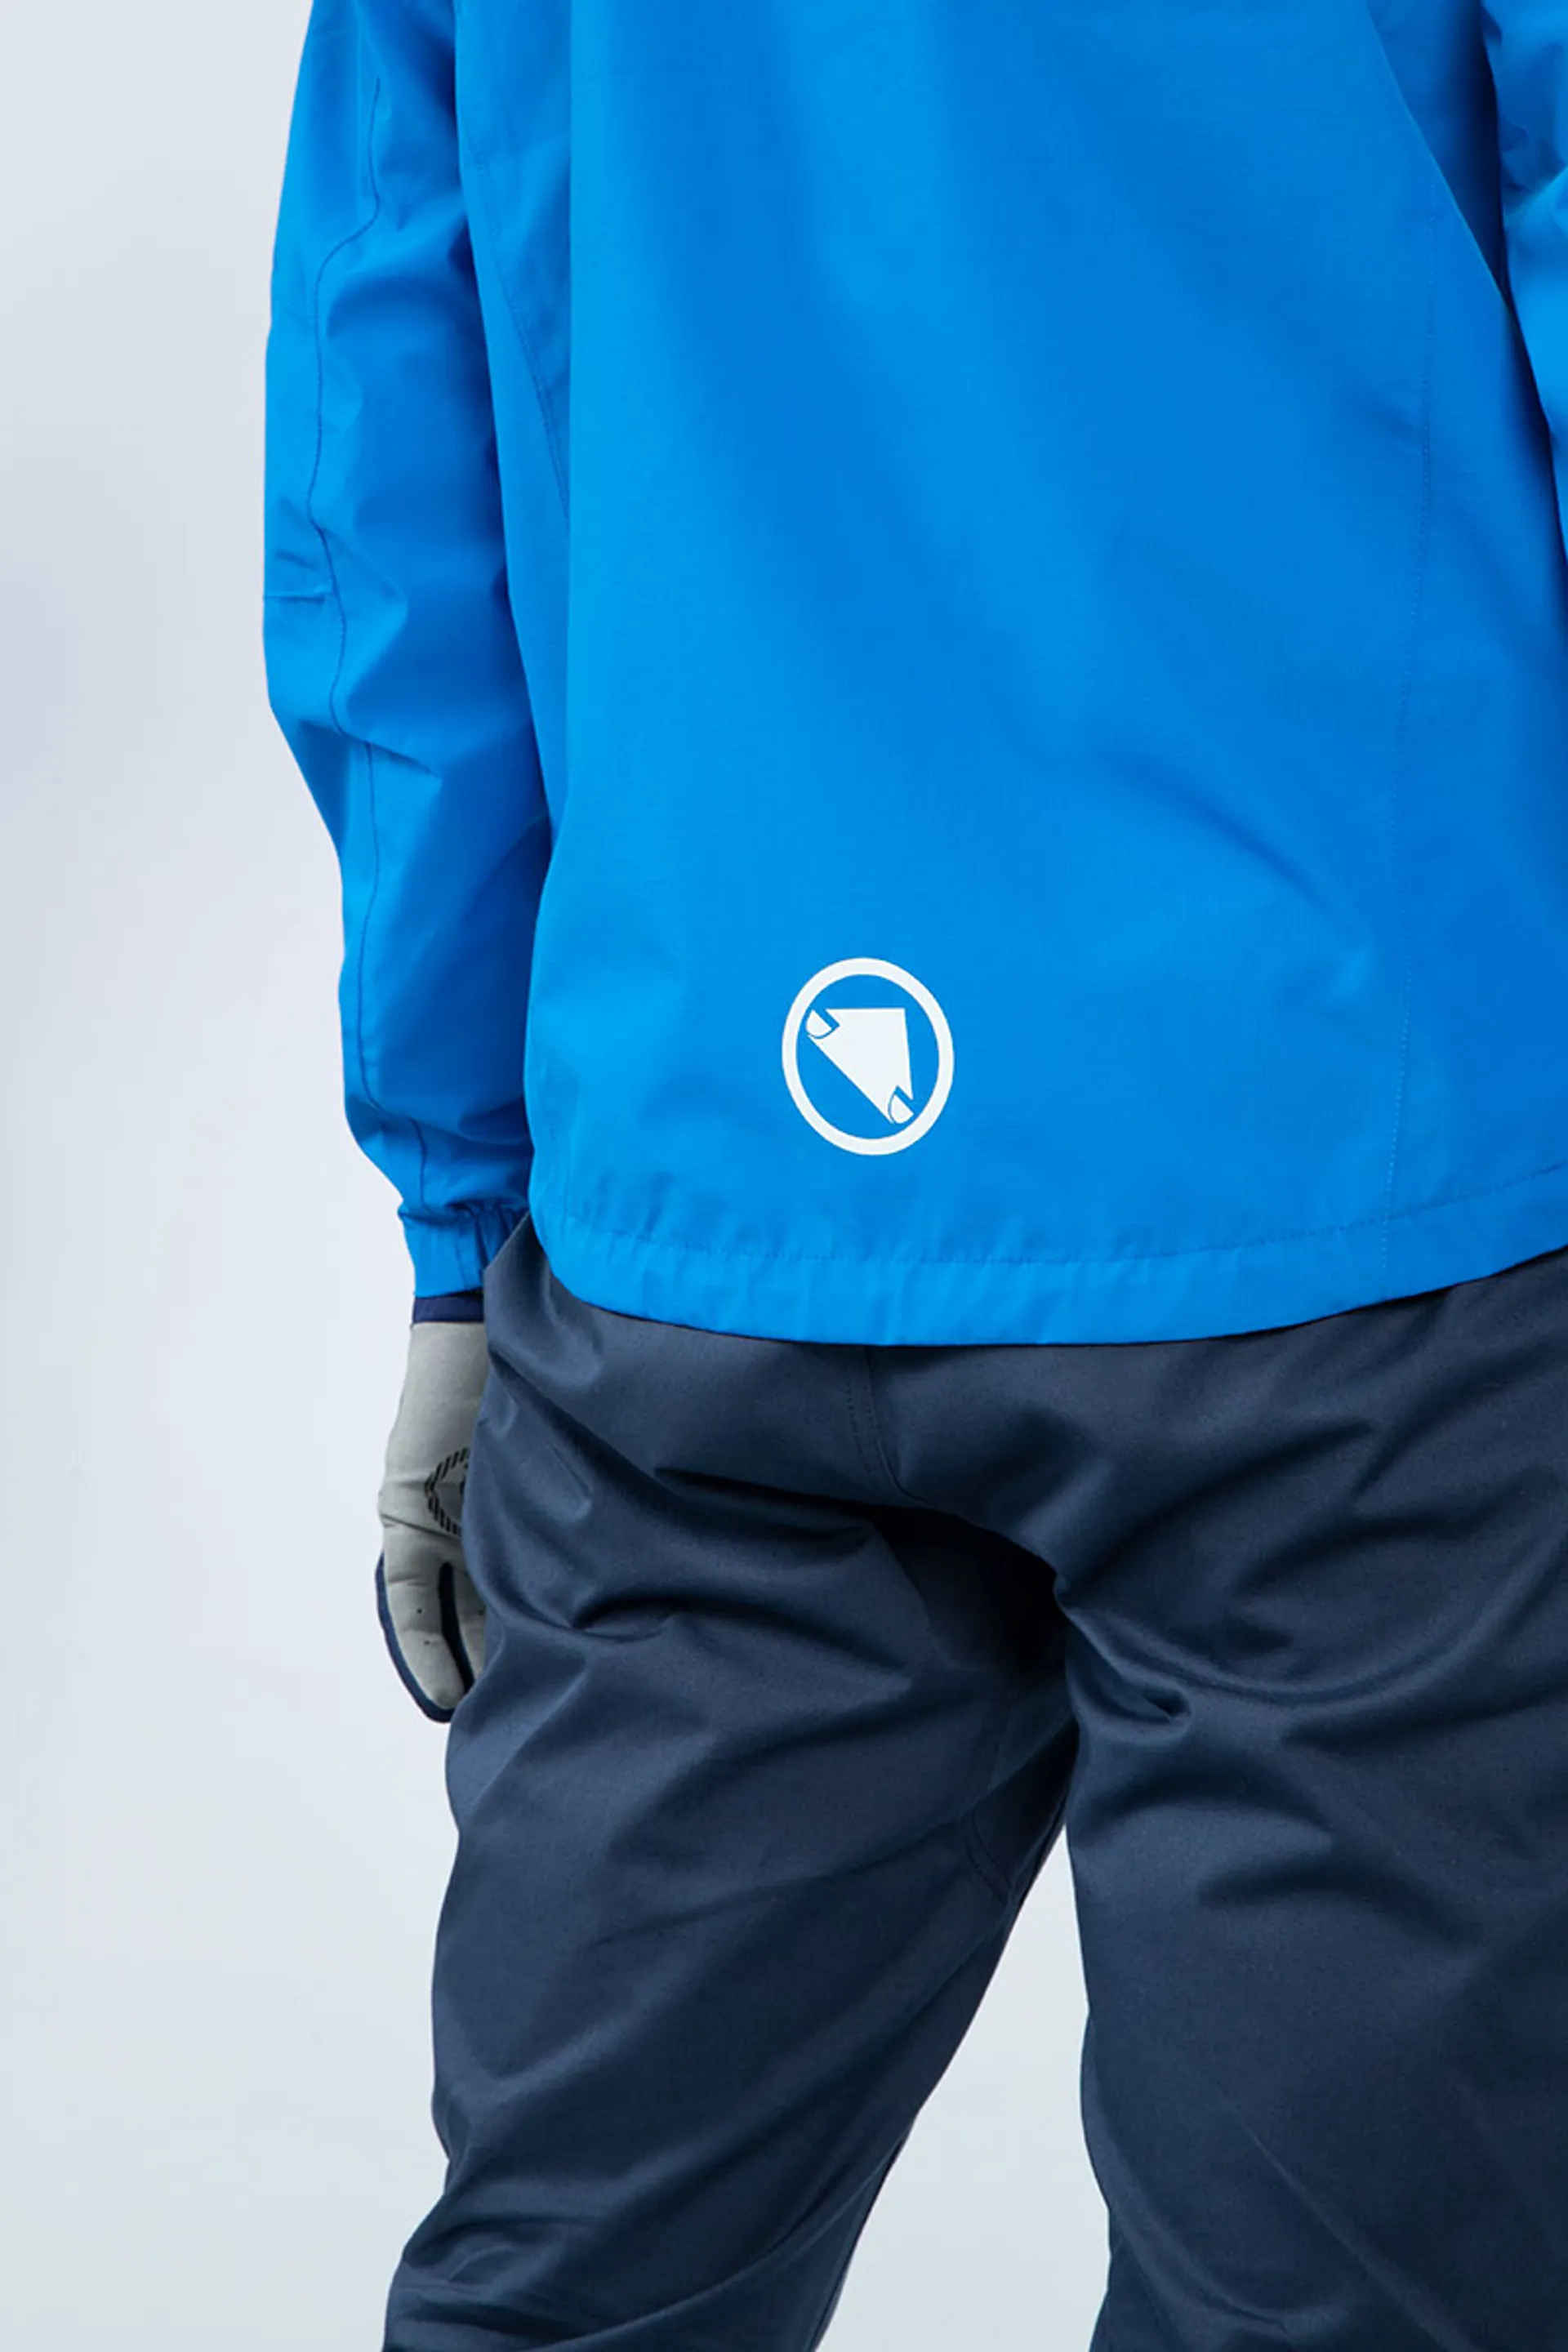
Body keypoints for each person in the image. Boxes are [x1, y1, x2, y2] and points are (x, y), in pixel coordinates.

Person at [261, 3, 1568, 2345]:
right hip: (1353, 1211)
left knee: (580, 2296)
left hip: (707, 1204)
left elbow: (394, 367)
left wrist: (466, 1209)